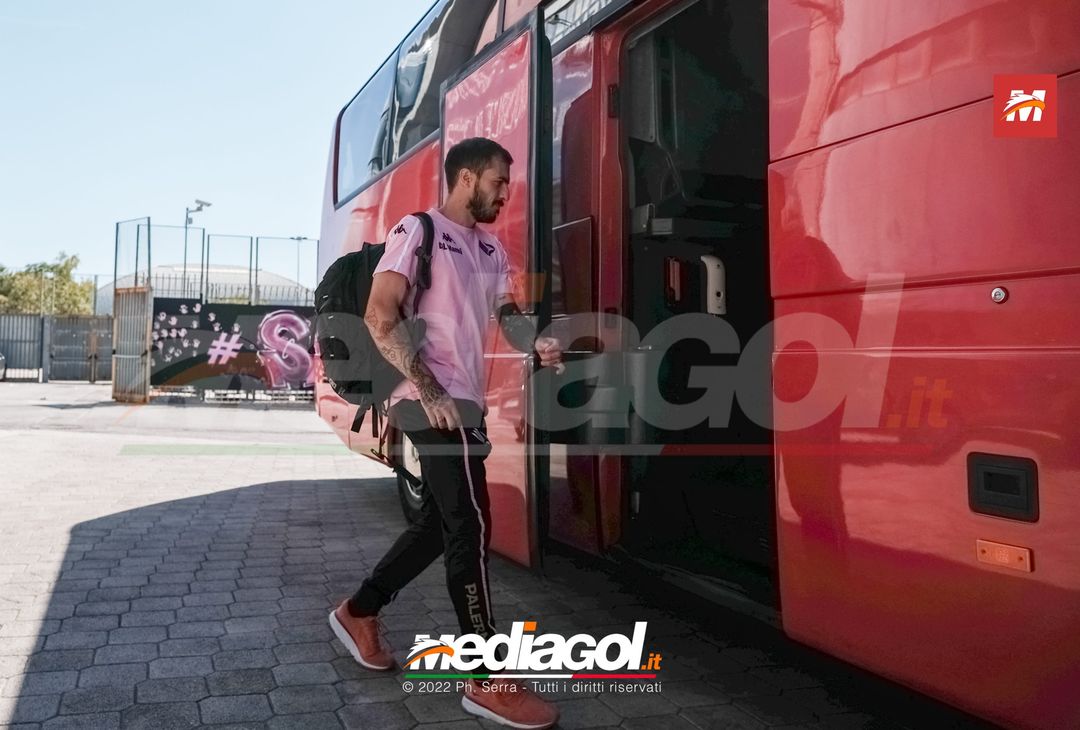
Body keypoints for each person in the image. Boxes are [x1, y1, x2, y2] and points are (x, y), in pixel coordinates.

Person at [328, 137, 562, 729]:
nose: (505, 193)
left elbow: (507, 313)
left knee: (440, 523)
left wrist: (534, 341)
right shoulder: (419, 231)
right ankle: (485, 677)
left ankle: (360, 610)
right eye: (496, 182)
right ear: (464, 179)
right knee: (473, 521)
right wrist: (429, 390)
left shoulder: (490, 248)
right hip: (426, 398)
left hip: (465, 402)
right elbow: (382, 315)